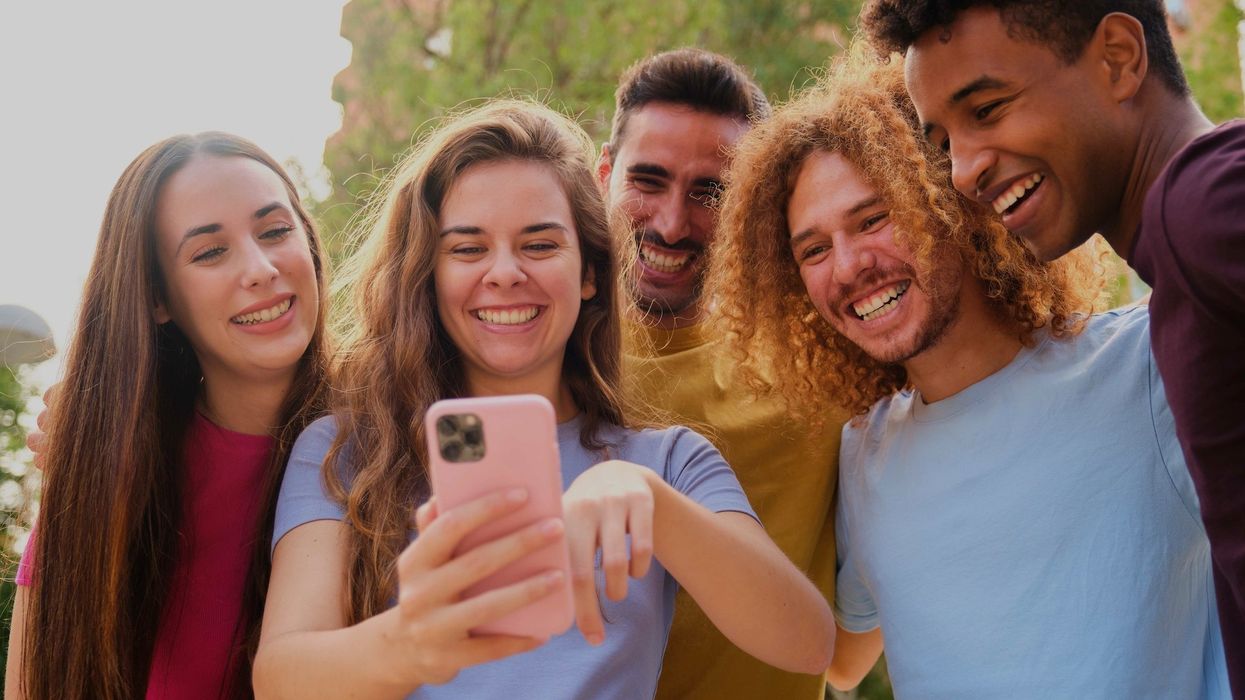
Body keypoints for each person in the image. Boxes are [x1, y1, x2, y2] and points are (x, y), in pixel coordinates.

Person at [251, 100, 833, 700]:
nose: (504, 272)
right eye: (468, 249)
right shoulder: (344, 452)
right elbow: (280, 680)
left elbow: (807, 641)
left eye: (539, 244)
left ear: (589, 273)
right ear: (428, 275)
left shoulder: (671, 463)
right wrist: (410, 642)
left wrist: (654, 505)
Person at [708, 52, 1231, 698]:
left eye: (873, 219)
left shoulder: (1144, 368)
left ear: (950, 200)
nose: (845, 268)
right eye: (812, 250)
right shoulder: (865, 454)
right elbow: (843, 661)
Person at [860, 2, 1245, 690]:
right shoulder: (1181, 247)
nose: (961, 172)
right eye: (943, 140)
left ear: (1118, 58)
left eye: (987, 108)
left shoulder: (1202, 207)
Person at [6, 133, 333, 699]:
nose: (259, 269)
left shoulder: (390, 433)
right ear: (158, 298)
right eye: (210, 252)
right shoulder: (100, 486)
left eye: (276, 231)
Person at [596, 48, 844, 700]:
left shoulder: (818, 369)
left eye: (710, 192)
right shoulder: (537, 365)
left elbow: (846, 654)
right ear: (602, 175)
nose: (673, 223)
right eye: (647, 181)